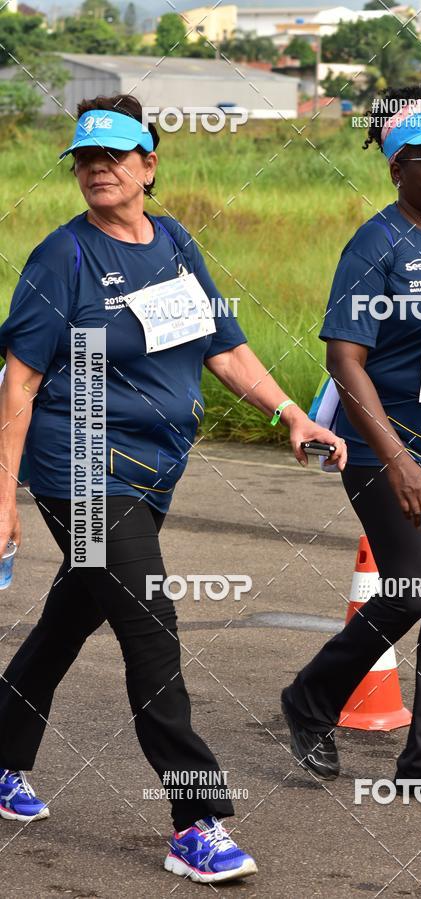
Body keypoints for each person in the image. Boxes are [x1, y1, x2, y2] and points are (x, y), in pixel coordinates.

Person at [0, 93, 345, 884]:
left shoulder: (177, 243)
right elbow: (17, 384)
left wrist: (291, 412)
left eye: (113, 157)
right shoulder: (64, 257)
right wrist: (4, 499)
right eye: (84, 160)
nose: (97, 171)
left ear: (149, 165)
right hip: (78, 468)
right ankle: (197, 817)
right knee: (151, 625)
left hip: (153, 472)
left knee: (70, 618)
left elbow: (223, 347)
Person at [282, 78, 421, 807]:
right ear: (396, 168)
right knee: (412, 588)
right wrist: (402, 459)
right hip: (388, 450)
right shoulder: (376, 243)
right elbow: (344, 358)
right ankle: (311, 697)